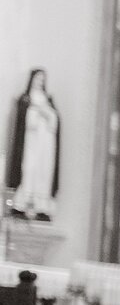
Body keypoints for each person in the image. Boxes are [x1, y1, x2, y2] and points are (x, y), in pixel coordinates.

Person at [7, 68, 60, 220]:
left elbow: (55, 121)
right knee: (29, 168)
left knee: (43, 171)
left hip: (45, 143)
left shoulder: (48, 99)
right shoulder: (26, 99)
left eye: (43, 79)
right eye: (38, 78)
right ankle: (22, 203)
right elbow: (23, 122)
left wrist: (47, 113)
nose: (40, 82)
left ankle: (41, 206)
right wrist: (36, 113)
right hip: (30, 142)